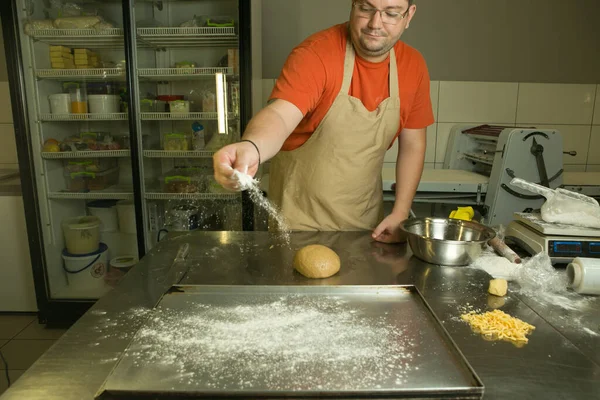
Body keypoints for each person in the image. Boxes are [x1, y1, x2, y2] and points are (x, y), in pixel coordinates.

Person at [214, 0, 434, 243]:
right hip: (298, 222)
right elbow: (280, 115)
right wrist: (252, 147)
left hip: (366, 224)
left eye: (391, 14)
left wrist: (401, 212)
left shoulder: (413, 66)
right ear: (353, 5)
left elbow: (413, 144)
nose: (375, 23)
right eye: (366, 9)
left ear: (409, 15)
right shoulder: (316, 54)